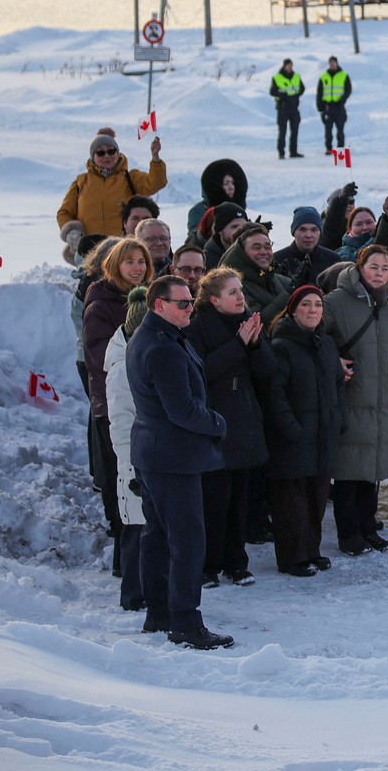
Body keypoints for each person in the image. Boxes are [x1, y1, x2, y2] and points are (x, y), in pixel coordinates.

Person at [127, 275, 232, 649]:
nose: (191, 308)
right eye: (183, 303)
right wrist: (218, 424)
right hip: (172, 457)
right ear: (159, 305)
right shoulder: (162, 347)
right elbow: (182, 410)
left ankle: (159, 614)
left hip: (155, 452)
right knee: (187, 541)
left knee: (157, 535)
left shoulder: (153, 336)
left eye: (191, 302)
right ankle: (185, 623)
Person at [323, 245, 388, 554]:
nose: (379, 273)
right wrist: (333, 361)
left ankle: (368, 528)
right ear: (359, 267)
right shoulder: (335, 302)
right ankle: (349, 536)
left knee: (372, 473)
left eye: (385, 268)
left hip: (383, 402)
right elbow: (314, 339)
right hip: (350, 400)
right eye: (373, 267)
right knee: (349, 474)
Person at [184, 269, 272, 588]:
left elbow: (268, 371)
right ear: (214, 299)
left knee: (240, 499)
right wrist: (238, 345)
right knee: (214, 501)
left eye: (240, 291)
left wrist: (256, 344)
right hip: (216, 420)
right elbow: (201, 371)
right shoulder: (198, 327)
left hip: (245, 420)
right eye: (232, 292)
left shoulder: (248, 321)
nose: (240, 297)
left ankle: (237, 562)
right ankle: (208, 565)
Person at [263, 285, 343, 576]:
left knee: (316, 497)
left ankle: (311, 550)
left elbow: (337, 384)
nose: (313, 311)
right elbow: (275, 394)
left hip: (322, 434)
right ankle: (292, 557)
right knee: (291, 502)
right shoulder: (282, 345)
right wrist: (291, 428)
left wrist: (339, 419)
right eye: (306, 305)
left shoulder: (326, 343)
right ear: (293, 310)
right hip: (293, 437)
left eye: (318, 305)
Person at [85, 238, 154, 547]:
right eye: (130, 262)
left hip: (147, 400)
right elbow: (100, 356)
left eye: (141, 261)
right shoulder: (102, 303)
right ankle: (122, 549)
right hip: (115, 402)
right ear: (115, 265)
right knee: (120, 476)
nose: (137, 268)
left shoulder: (153, 297)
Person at [60, 130, 168, 240]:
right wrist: (71, 233)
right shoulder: (81, 182)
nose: (107, 156)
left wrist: (155, 158)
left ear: (117, 153)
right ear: (93, 157)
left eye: (111, 151)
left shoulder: (130, 178)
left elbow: (156, 182)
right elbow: (64, 212)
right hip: (89, 249)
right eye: (100, 153)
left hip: (123, 248)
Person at [273, 207, 339, 283]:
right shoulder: (277, 260)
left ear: (320, 233)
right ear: (293, 232)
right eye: (302, 229)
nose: (308, 235)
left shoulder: (333, 260)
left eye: (314, 230)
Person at [270, 58, 305, 159]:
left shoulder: (296, 76)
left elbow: (302, 88)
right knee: (282, 131)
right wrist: (284, 95)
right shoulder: (277, 77)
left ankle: (293, 152)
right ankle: (281, 153)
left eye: (291, 65)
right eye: (288, 65)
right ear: (284, 66)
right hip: (282, 108)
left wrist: (295, 96)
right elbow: (272, 92)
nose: (290, 67)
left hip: (294, 107)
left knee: (295, 130)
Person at [316, 55, 351, 154]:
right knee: (328, 131)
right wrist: (320, 108)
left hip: (339, 106)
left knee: (340, 130)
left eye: (334, 63)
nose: (332, 65)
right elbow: (319, 93)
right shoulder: (324, 77)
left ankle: (340, 149)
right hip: (328, 107)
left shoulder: (343, 75)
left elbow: (348, 89)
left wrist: (342, 100)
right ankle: (329, 148)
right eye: (330, 63)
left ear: (337, 63)